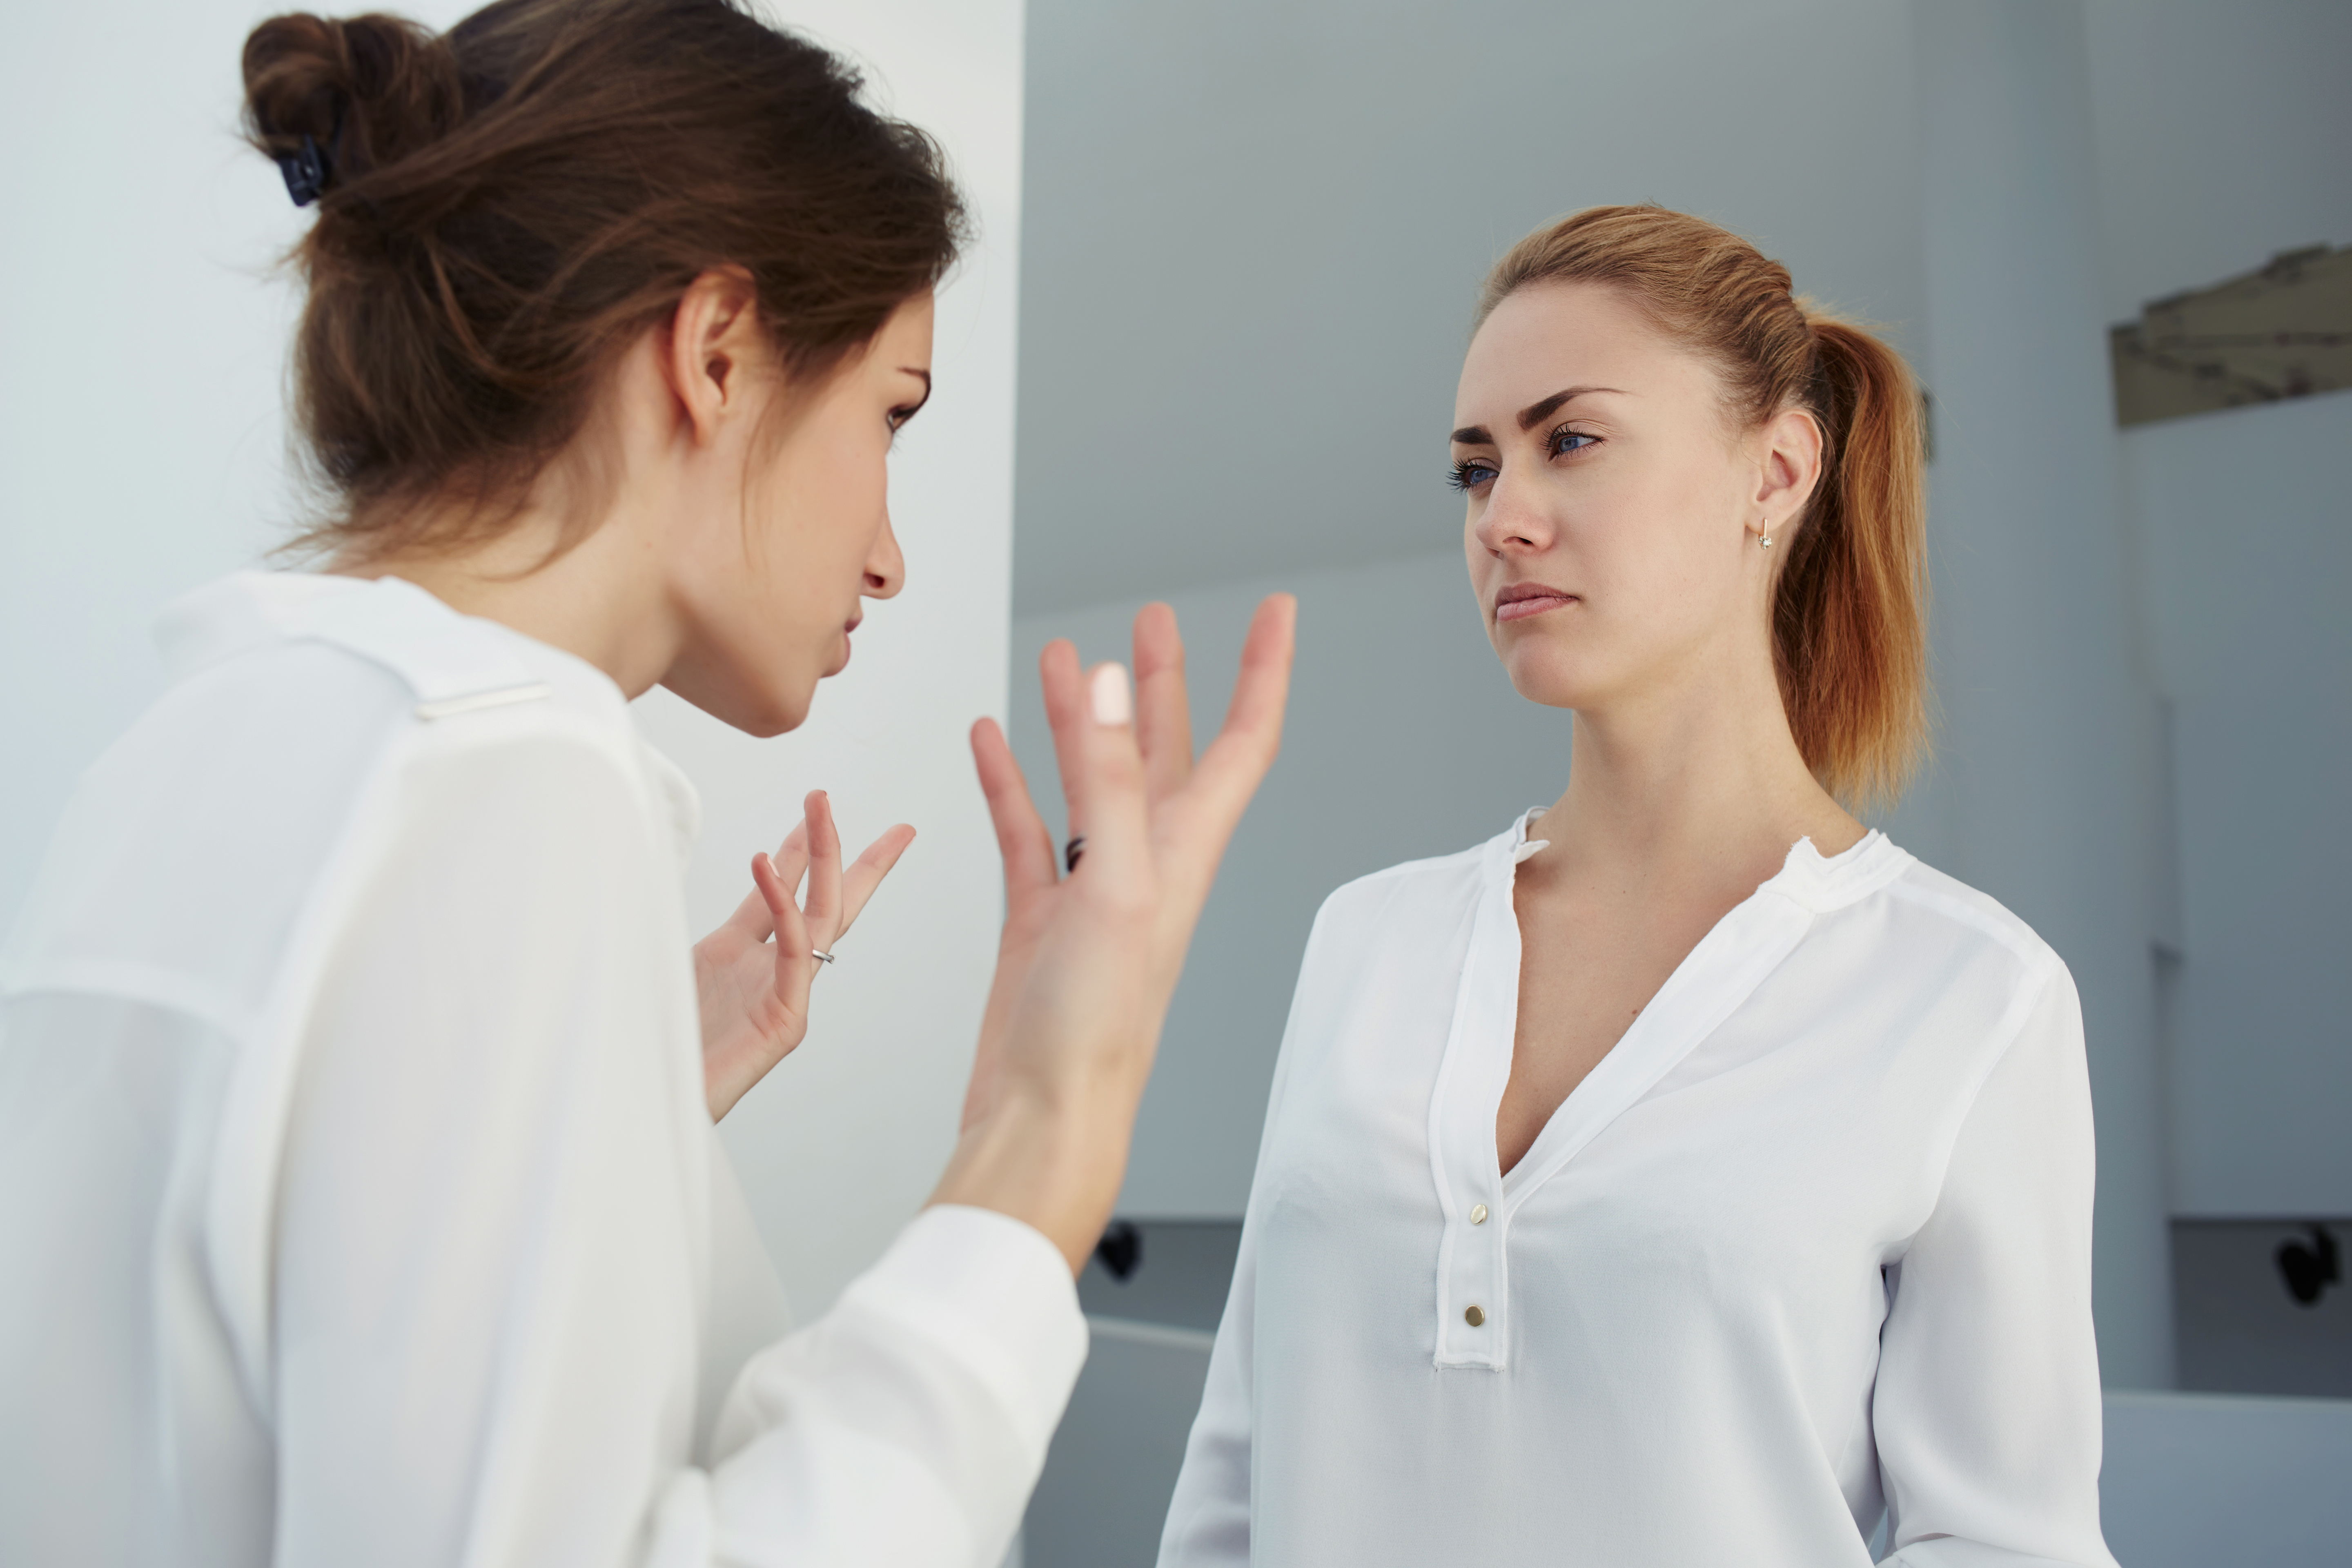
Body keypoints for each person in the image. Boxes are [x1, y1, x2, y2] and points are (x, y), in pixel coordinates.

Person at [0, 3, 1294, 1565]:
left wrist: (626, 1108)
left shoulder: (199, 751)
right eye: (890, 415)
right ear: (719, 350)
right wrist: (1040, 1143)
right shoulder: (498, 790)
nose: (890, 556)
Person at [1158, 206, 2118, 1568]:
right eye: (1474, 469)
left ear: (1776, 473)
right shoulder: (1365, 941)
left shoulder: (1969, 996)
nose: (1506, 517)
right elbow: (1236, 1478)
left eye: (1572, 442)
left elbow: (2006, 1544)